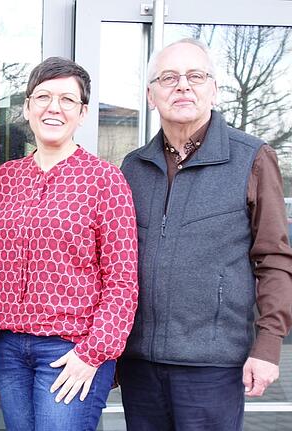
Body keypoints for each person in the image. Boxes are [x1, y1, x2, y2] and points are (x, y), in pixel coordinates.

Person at [118, 38, 292, 430]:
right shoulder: (133, 167)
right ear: (151, 95)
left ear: (213, 89)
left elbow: (275, 259)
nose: (182, 85)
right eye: (168, 77)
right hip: (139, 364)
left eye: (195, 75)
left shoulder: (251, 157)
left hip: (212, 365)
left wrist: (267, 346)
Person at [0, 57, 139, 431]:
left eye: (67, 99)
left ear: (82, 113)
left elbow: (122, 280)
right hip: (10, 349)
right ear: (27, 107)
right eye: (43, 97)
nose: (54, 107)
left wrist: (93, 353)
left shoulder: (105, 179)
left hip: (71, 348)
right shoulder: (6, 178)